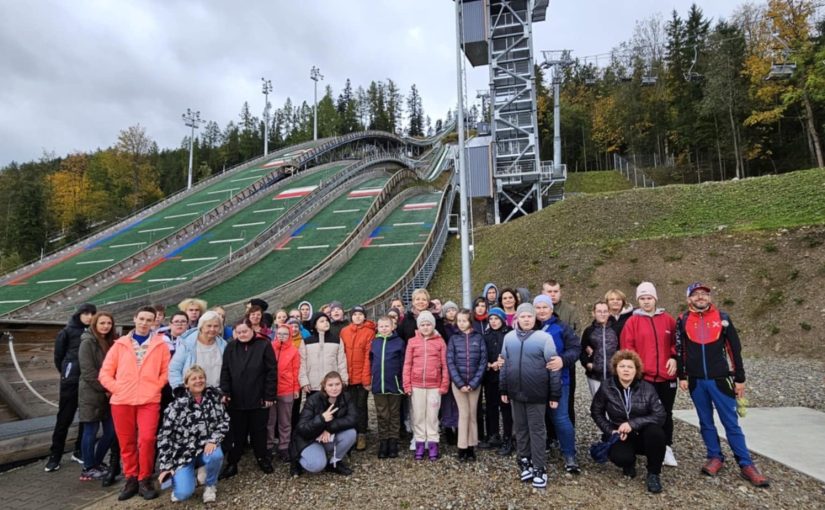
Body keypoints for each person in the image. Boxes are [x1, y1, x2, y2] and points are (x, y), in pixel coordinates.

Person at [675, 283, 769, 487]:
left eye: (704, 294)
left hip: (720, 379)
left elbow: (735, 348)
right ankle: (715, 456)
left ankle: (746, 464)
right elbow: (680, 349)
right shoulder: (683, 320)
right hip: (696, 380)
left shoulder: (722, 318)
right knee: (705, 421)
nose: (700, 297)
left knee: (730, 423)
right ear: (689, 299)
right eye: (696, 294)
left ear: (709, 298)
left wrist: (740, 378)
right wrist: (682, 375)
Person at [99, 306, 170, 501]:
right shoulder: (120, 345)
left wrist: (156, 386)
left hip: (148, 400)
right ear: (135, 319)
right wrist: (117, 388)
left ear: (154, 322)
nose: (145, 323)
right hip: (122, 401)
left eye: (149, 320)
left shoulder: (160, 345)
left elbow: (166, 371)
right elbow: (104, 373)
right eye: (142, 319)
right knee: (126, 441)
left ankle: (144, 477)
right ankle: (131, 477)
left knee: (146, 439)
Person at [499, 303, 561, 489]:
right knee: (520, 428)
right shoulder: (509, 338)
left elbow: (554, 368)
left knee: (537, 430)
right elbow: (504, 363)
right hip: (516, 393)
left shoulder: (544, 338)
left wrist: (554, 394)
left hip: (537, 393)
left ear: (535, 319)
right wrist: (503, 389)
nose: (526, 319)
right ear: (517, 318)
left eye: (530, 316)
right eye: (523, 316)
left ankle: (539, 467)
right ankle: (524, 460)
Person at [590, 350, 667, 493]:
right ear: (616, 368)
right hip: (620, 431)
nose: (626, 370)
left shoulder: (647, 388)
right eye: (622, 366)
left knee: (657, 433)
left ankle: (654, 473)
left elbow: (660, 414)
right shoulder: (607, 387)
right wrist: (610, 430)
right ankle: (629, 462)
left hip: (643, 431)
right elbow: (596, 411)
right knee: (620, 457)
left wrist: (633, 424)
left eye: (630, 367)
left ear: (636, 370)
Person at [620, 281, 679, 467]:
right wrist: (636, 370)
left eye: (649, 298)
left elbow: (676, 343)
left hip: (666, 376)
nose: (646, 302)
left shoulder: (668, 319)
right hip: (645, 377)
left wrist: (674, 357)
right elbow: (627, 348)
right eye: (642, 298)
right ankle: (645, 446)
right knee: (644, 412)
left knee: (666, 413)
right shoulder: (633, 321)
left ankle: (667, 447)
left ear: (655, 298)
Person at [157, 365, 229, 503]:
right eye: (193, 378)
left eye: (201, 377)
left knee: (216, 454)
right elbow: (164, 436)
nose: (198, 381)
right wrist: (166, 465)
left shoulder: (213, 400)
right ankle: (182, 481)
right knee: (183, 494)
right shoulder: (176, 406)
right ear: (186, 383)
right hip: (183, 455)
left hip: (205, 449)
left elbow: (224, 421)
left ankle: (210, 485)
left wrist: (213, 440)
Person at [219, 319, 277, 479]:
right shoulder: (230, 347)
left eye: (245, 331)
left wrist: (269, 395)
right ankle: (233, 462)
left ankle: (262, 458)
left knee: (259, 431)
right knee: (236, 433)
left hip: (258, 398)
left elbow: (272, 371)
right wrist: (225, 392)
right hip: (236, 399)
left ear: (252, 330)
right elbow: (225, 371)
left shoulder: (263, 345)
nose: (242, 334)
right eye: (239, 332)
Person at [45, 302, 96, 473]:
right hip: (71, 381)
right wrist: (68, 372)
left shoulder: (95, 332)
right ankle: (55, 456)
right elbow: (58, 356)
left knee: (86, 418)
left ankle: (79, 451)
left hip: (89, 382)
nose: (89, 317)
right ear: (79, 314)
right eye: (86, 313)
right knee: (64, 419)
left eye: (92, 314)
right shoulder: (67, 331)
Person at [533, 295, 581, 474]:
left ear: (551, 309)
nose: (542, 311)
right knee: (536, 419)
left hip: (559, 380)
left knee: (561, 417)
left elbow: (576, 348)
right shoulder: (528, 326)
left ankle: (569, 454)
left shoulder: (562, 328)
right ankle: (537, 453)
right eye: (538, 308)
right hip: (534, 382)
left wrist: (563, 360)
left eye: (545, 307)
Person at [402, 311, 449, 461]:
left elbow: (445, 365)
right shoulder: (412, 342)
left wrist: (444, 384)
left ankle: (434, 444)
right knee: (418, 415)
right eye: (422, 324)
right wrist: (407, 384)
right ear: (418, 326)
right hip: (416, 385)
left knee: (432, 416)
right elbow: (407, 364)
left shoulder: (440, 342)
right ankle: (420, 444)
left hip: (434, 385)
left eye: (428, 324)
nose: (425, 327)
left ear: (433, 325)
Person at [291, 371, 358, 476]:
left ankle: (334, 462)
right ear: (324, 387)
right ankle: (297, 460)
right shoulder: (313, 400)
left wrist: (329, 429)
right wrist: (321, 418)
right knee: (317, 466)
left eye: (337, 384)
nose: (334, 388)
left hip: (327, 437)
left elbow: (353, 419)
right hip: (310, 439)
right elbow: (302, 428)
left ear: (342, 384)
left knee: (351, 433)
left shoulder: (346, 397)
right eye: (330, 385)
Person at [78, 311, 116, 481]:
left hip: (108, 393)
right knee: (90, 431)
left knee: (110, 431)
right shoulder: (87, 342)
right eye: (102, 323)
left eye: (108, 323)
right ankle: (88, 467)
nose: (105, 326)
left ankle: (97, 462)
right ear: (95, 324)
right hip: (92, 393)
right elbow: (88, 371)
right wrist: (106, 388)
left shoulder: (110, 341)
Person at [447, 309, 487, 461]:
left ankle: (471, 446)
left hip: (474, 384)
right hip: (459, 384)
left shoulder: (479, 338)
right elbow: (450, 361)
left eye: (464, 320)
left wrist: (474, 382)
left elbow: (483, 361)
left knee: (472, 414)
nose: (461, 323)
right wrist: (459, 382)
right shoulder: (454, 339)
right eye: (459, 321)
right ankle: (462, 447)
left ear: (470, 321)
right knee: (463, 414)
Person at [339, 305, 375, 451]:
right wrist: (342, 375)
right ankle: (350, 434)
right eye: (355, 314)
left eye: (360, 314)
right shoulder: (344, 331)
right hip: (347, 376)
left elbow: (368, 357)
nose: (358, 317)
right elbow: (341, 354)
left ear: (364, 316)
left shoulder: (369, 332)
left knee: (361, 406)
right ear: (351, 317)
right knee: (348, 406)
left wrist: (366, 379)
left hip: (361, 376)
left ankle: (361, 434)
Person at [370, 316, 405, 459]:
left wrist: (402, 382)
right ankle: (383, 441)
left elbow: (403, 363)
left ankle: (393, 441)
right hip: (379, 384)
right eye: (381, 326)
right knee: (382, 414)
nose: (384, 329)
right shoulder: (375, 342)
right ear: (377, 327)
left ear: (393, 327)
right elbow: (371, 361)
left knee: (394, 414)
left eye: (386, 326)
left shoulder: (399, 342)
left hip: (394, 384)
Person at [479, 307, 512, 455]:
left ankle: (508, 437)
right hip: (490, 375)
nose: (493, 322)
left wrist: (503, 362)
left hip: (505, 376)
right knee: (491, 406)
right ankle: (493, 434)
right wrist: (489, 364)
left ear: (502, 319)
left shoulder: (510, 333)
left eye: (496, 319)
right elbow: (481, 353)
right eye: (491, 319)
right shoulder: (485, 335)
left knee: (505, 407)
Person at [168, 311, 227, 389]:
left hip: (217, 391)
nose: (212, 329)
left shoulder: (223, 345)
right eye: (208, 326)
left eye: (216, 326)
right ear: (201, 327)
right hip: (192, 392)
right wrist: (179, 389)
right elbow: (174, 369)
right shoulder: (187, 344)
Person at [268, 324, 301, 462]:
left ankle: (284, 446)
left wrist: (295, 389)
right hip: (271, 389)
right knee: (270, 420)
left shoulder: (293, 351)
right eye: (279, 334)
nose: (282, 336)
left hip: (286, 389)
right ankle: (268, 445)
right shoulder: (269, 347)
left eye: (285, 334)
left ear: (289, 336)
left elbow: (296, 370)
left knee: (285, 421)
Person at [299, 312, 349, 393]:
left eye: (327, 320)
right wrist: (304, 381)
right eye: (321, 321)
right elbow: (302, 363)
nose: (326, 323)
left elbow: (342, 362)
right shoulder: (306, 342)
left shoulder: (337, 340)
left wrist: (343, 380)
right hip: (312, 384)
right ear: (315, 325)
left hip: (333, 385)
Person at [580, 301, 620, 396]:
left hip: (614, 376)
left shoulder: (616, 329)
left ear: (609, 312)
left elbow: (622, 349)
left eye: (605, 311)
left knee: (614, 406)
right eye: (599, 311)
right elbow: (582, 350)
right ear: (593, 313)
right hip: (595, 376)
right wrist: (588, 364)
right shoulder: (589, 331)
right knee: (597, 405)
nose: (602, 314)